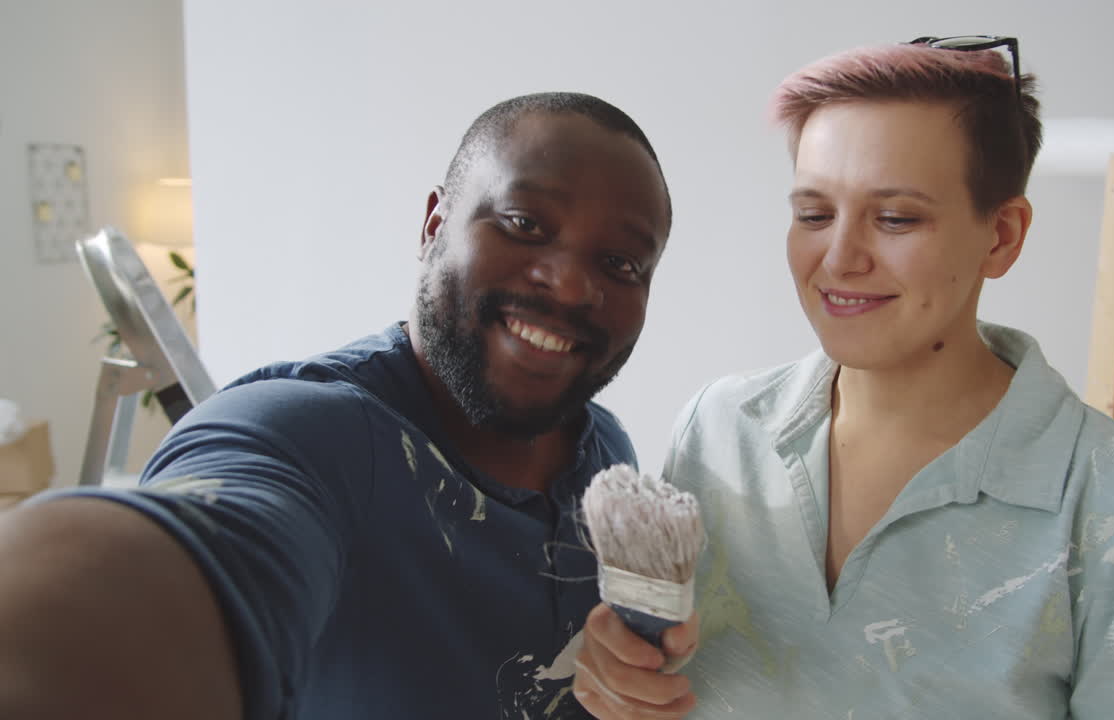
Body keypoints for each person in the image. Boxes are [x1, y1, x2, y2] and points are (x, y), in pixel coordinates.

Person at [574, 38, 1114, 719]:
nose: (840, 257)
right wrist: (621, 676)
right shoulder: (721, 426)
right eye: (814, 214)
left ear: (1001, 236)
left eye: (895, 218)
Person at [0, 91, 673, 720]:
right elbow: (143, 591)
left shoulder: (604, 453)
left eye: (620, 264)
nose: (570, 284)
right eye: (525, 223)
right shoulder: (312, 437)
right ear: (434, 225)